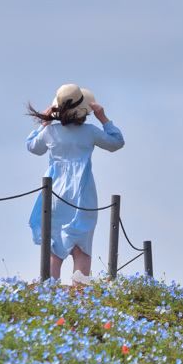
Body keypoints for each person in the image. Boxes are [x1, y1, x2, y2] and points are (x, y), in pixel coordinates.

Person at [25, 84, 124, 284]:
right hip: (82, 192)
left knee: (54, 245)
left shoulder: (50, 133)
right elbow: (117, 142)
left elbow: (32, 147)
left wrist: (43, 124)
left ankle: (49, 292)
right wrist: (103, 118)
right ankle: (79, 294)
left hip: (55, 192)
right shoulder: (90, 132)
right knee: (82, 245)